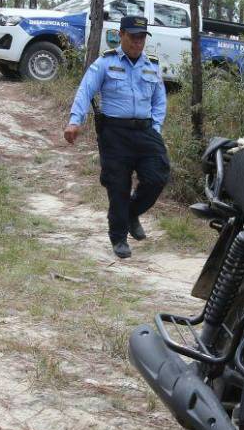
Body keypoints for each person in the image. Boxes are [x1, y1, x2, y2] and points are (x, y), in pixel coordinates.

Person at [65, 15, 169, 259]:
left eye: (142, 37)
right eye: (133, 37)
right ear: (121, 34)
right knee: (118, 186)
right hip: (115, 134)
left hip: (145, 132)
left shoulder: (152, 65)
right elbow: (85, 89)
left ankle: (131, 213)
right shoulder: (105, 62)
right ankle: (119, 237)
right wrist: (74, 121)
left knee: (157, 177)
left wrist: (155, 127)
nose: (138, 42)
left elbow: (159, 99)